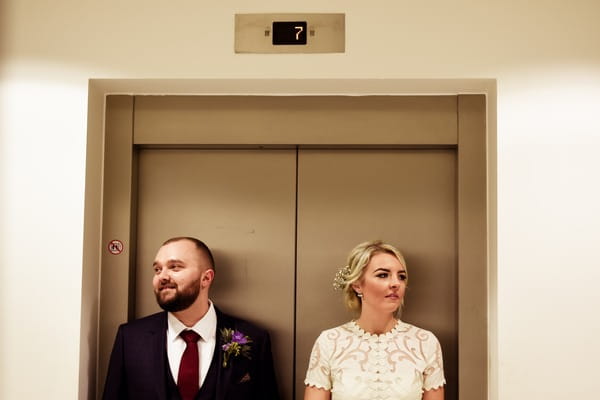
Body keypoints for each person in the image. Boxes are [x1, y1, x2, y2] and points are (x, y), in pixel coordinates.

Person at [103, 236, 279, 400]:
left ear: (206, 278)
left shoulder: (253, 339)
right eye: (157, 269)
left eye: (175, 267)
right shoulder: (130, 338)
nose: (162, 276)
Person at [304, 240, 445, 400]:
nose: (395, 283)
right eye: (383, 275)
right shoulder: (329, 342)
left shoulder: (425, 342)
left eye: (401, 276)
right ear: (357, 285)